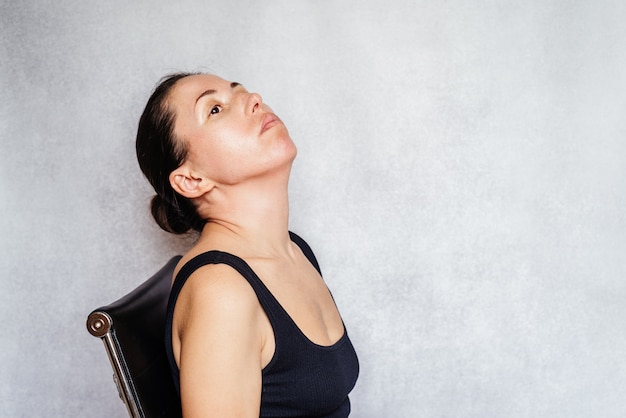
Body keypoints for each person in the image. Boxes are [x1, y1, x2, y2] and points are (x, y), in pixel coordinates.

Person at [135, 72, 359, 417]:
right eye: (214, 109)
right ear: (192, 180)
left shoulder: (295, 251)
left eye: (238, 90)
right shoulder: (221, 290)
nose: (253, 98)